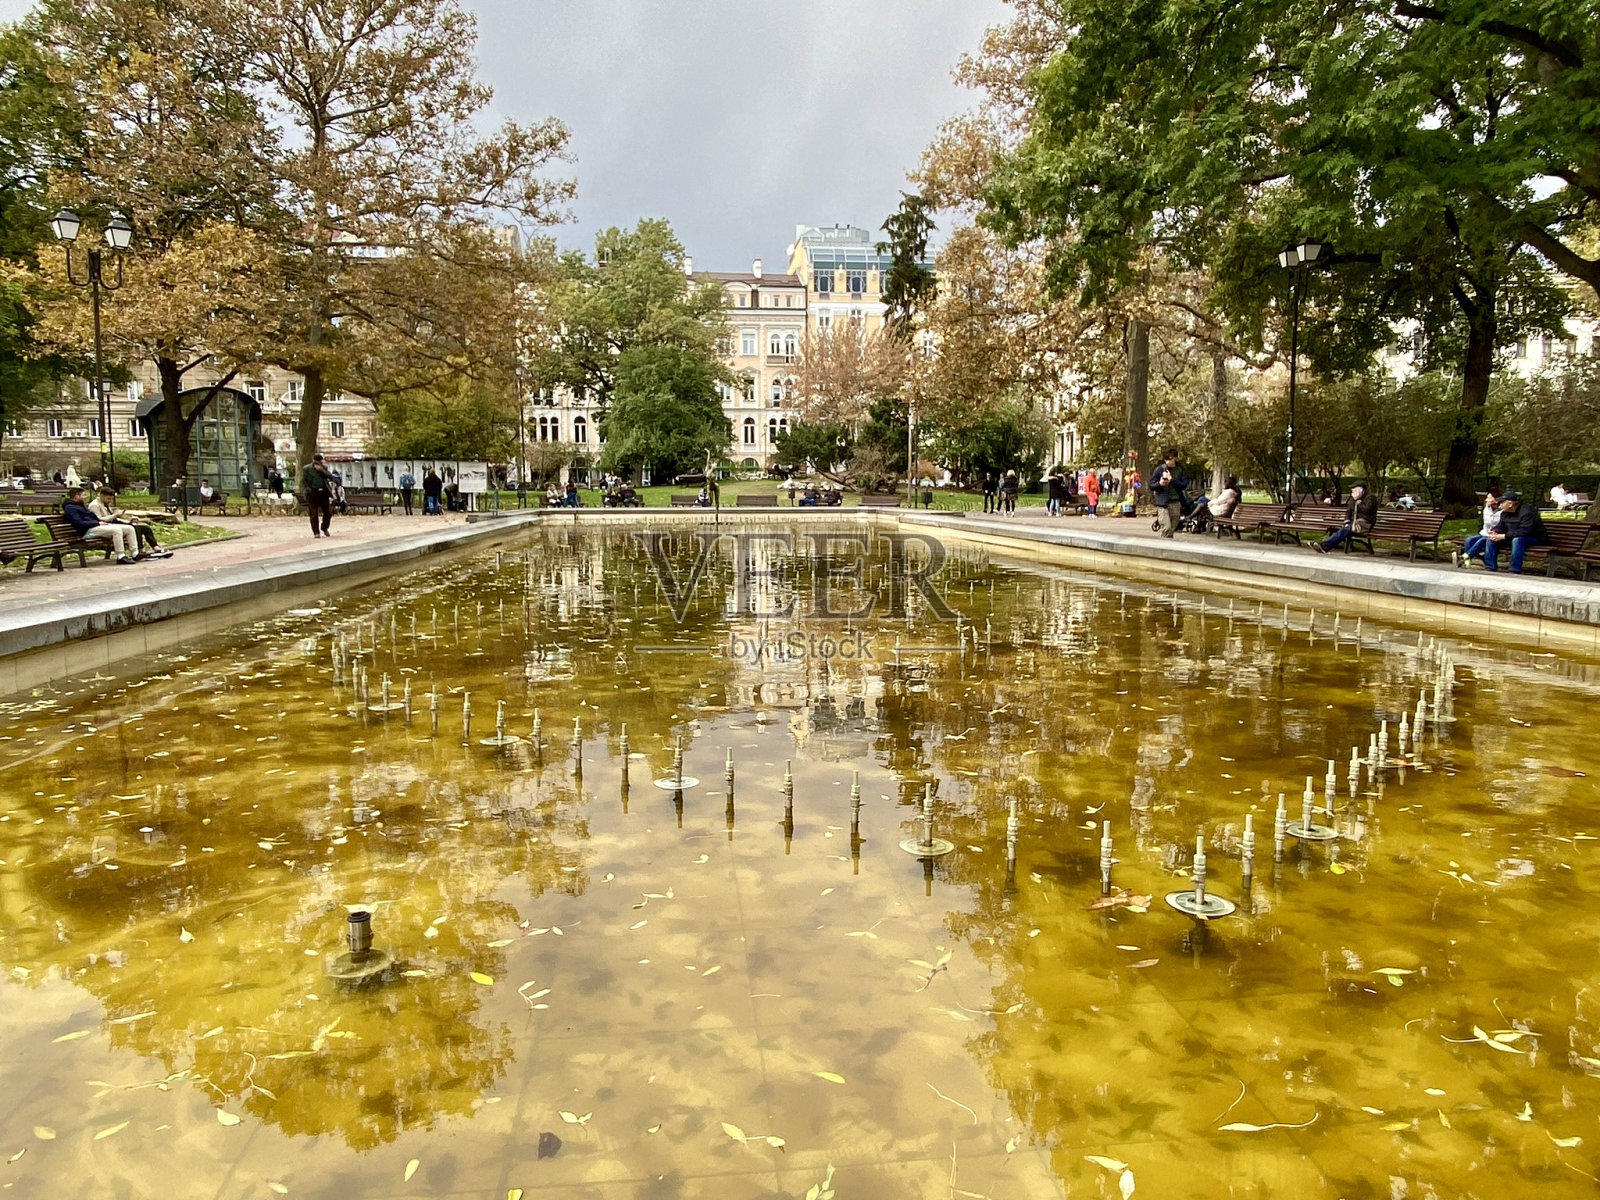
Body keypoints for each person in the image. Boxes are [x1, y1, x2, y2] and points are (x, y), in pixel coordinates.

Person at [61, 486, 139, 563]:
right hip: (87, 533)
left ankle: (135, 553)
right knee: (116, 530)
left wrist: (100, 522)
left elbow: (92, 517)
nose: (85, 497)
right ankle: (121, 556)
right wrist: (97, 523)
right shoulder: (70, 508)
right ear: (76, 496)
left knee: (129, 528)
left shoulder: (79, 505)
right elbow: (78, 523)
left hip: (95, 527)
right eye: (83, 495)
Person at [89, 486, 170, 558]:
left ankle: (156, 547)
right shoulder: (94, 505)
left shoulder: (105, 504)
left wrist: (128, 521)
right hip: (105, 526)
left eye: (111, 499)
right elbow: (99, 519)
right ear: (102, 496)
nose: (110, 501)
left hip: (113, 523)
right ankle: (139, 550)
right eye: (108, 499)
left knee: (145, 528)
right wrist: (115, 515)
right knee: (134, 528)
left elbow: (115, 518)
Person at [1483, 490, 1548, 573]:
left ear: (1510, 504)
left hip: (1534, 538)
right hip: (1512, 536)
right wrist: (1495, 532)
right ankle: (1490, 566)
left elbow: (1525, 531)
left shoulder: (1527, 513)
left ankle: (1515, 568)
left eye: (1502, 502)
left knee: (1517, 540)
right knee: (1492, 539)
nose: (1500, 504)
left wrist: (1503, 536)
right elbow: (1501, 526)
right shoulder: (1505, 512)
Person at [1313, 481, 1377, 553]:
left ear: (1361, 490)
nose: (1353, 492)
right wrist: (1347, 521)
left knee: (1344, 530)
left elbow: (1367, 510)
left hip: (1365, 524)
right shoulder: (1353, 499)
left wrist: (1358, 503)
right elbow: (1348, 511)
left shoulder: (1371, 498)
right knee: (1344, 529)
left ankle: (1324, 546)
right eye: (1352, 491)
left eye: (1355, 490)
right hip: (1353, 523)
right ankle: (1324, 546)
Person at [1455, 486, 1502, 568]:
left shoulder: (1502, 510)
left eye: (1489, 498)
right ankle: (1467, 561)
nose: (1486, 500)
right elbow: (1483, 521)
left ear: (1496, 499)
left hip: (1495, 535)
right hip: (1485, 533)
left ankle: (1465, 557)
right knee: (1469, 540)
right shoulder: (1487, 508)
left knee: (1482, 541)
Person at [1150, 448, 1187, 538]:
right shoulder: (1160, 469)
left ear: (1175, 458)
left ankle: (1169, 543)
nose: (1169, 462)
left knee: (1172, 527)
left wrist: (1172, 481)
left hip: (1175, 501)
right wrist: (1160, 484)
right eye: (1167, 459)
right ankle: (1163, 545)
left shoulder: (1180, 469)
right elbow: (1151, 485)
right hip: (1163, 502)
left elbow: (1184, 485)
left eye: (1171, 459)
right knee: (1166, 527)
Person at [301, 453, 335, 538]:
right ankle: (316, 531)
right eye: (317, 461)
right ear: (314, 461)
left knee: (328, 512)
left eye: (320, 461)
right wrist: (308, 489)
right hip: (313, 492)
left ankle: (324, 527)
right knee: (313, 513)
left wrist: (322, 470)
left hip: (323, 492)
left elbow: (330, 477)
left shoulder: (324, 467)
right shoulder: (307, 468)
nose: (319, 463)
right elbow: (304, 481)